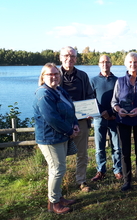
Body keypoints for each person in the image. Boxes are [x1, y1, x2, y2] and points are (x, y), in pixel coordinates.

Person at [33, 63, 79, 214]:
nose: (54, 77)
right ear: (43, 77)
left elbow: (70, 110)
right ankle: (54, 203)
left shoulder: (59, 91)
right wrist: (69, 130)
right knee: (57, 169)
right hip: (50, 138)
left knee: (58, 168)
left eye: (56, 74)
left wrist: (75, 124)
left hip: (61, 136)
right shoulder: (43, 94)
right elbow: (52, 118)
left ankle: (58, 197)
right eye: (50, 74)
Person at [111, 52, 137, 191]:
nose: (133, 64)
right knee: (125, 152)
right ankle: (127, 181)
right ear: (126, 64)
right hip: (123, 121)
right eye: (130, 62)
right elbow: (114, 101)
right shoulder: (119, 81)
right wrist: (118, 109)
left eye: (135, 62)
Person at [59, 46, 94, 192]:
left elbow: (90, 95)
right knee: (59, 155)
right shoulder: (54, 74)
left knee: (82, 154)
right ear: (60, 57)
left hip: (81, 121)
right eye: (66, 55)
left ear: (76, 58)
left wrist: (91, 110)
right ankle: (59, 184)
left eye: (73, 56)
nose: (69, 58)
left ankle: (81, 181)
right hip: (60, 122)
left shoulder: (83, 76)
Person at [89, 55, 122, 182]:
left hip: (114, 117)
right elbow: (91, 99)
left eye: (107, 62)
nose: (105, 64)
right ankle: (101, 171)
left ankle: (118, 170)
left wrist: (110, 112)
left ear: (111, 64)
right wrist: (102, 112)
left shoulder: (118, 80)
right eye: (102, 62)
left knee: (117, 147)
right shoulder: (93, 81)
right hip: (99, 119)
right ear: (98, 64)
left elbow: (121, 98)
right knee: (99, 147)